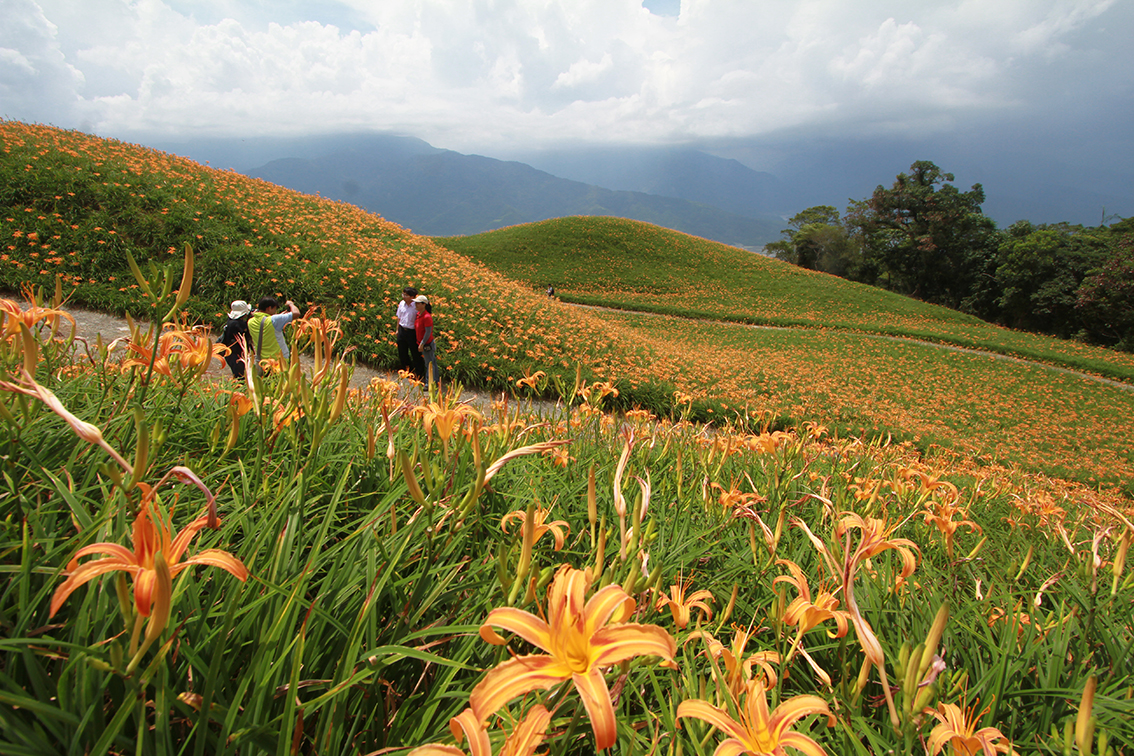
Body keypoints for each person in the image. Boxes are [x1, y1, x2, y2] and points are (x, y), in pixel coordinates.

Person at [247, 296, 300, 370]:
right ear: (269, 308)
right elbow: (296, 313)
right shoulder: (275, 320)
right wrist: (291, 304)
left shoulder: (250, 322)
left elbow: (265, 322)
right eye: (274, 309)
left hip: (263, 361)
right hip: (279, 360)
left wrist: (279, 316)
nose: (275, 311)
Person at [219, 299, 252, 379]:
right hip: (236, 355)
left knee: (238, 375)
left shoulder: (231, 321)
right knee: (241, 377)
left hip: (230, 353)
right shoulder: (238, 324)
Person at [394, 286, 421, 373]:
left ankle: (419, 373)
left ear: (412, 297)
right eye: (403, 294)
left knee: (415, 353)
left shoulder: (417, 306)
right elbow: (399, 317)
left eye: (406, 295)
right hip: (402, 330)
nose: (403, 296)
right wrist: (397, 329)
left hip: (412, 332)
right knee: (402, 352)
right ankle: (407, 371)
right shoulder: (402, 303)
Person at [414, 294, 439, 385]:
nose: (416, 305)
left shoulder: (427, 317)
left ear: (424, 304)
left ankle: (430, 383)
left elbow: (428, 332)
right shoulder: (418, 314)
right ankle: (435, 381)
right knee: (431, 363)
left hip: (427, 344)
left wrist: (422, 343)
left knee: (429, 364)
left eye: (418, 303)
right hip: (422, 342)